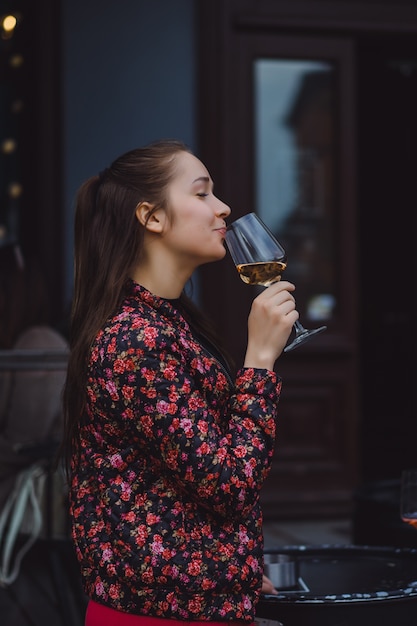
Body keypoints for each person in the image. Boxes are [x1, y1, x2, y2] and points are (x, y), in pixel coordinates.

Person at [62, 139, 298, 625]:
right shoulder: (136, 340)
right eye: (202, 193)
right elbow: (230, 484)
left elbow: (182, 482)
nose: (224, 208)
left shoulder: (167, 322)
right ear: (152, 218)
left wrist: (234, 571)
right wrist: (258, 361)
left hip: (189, 606)